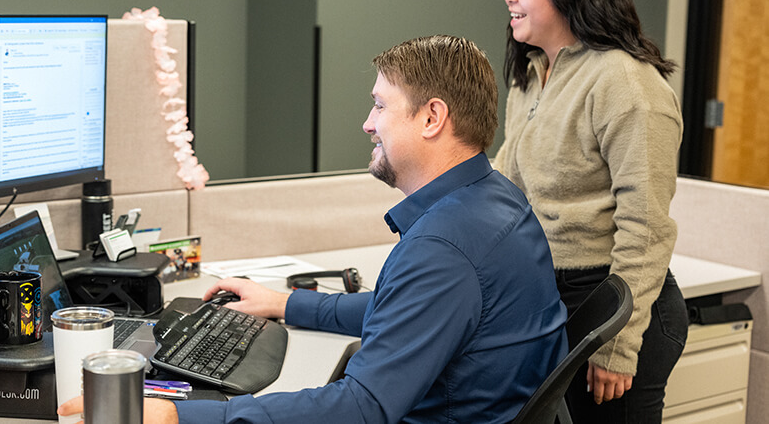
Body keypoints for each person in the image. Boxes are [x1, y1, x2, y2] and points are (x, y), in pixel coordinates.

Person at [59, 35, 567, 423]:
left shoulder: (443, 247)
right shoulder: (496, 199)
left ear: (432, 117)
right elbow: (408, 313)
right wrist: (286, 304)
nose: (368, 123)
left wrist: (177, 415)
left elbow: (363, 408)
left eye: (381, 105)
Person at [494, 0, 688, 423]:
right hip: (554, 299)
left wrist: (616, 345)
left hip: (611, 305)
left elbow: (645, 227)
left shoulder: (627, 85)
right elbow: (508, 188)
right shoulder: (533, 74)